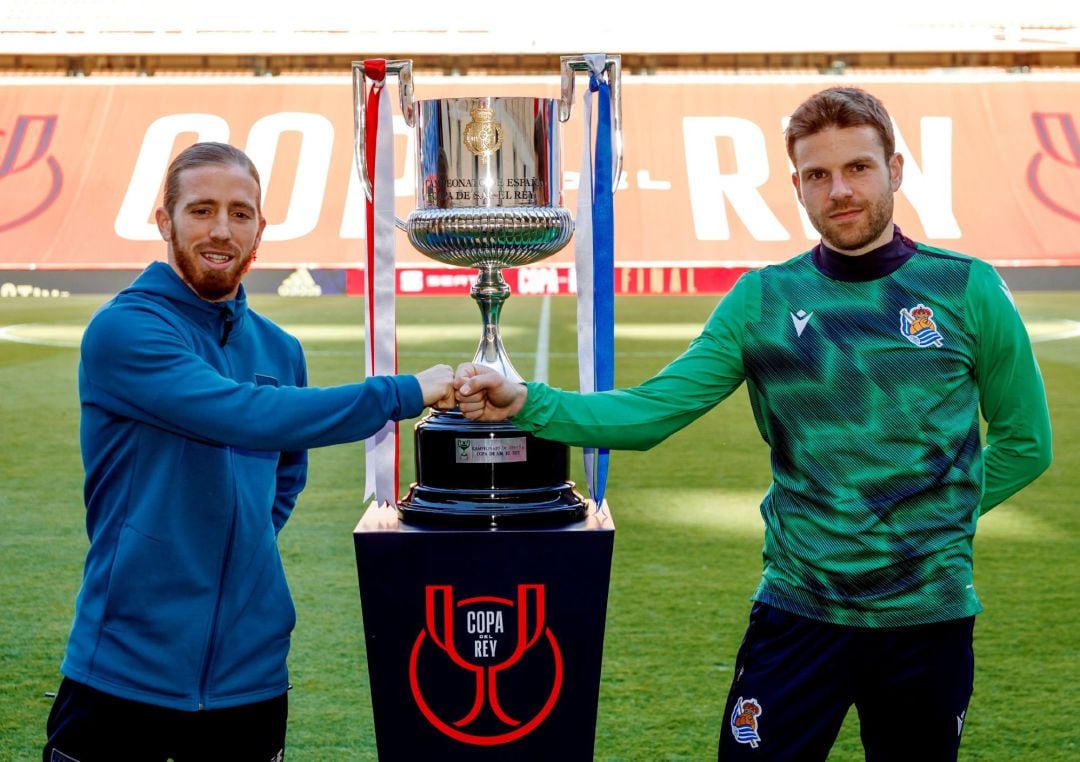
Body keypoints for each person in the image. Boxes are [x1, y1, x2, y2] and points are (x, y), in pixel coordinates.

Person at [454, 87, 1052, 760]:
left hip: (928, 619)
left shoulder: (966, 289)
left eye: (859, 168)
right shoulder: (761, 299)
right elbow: (652, 411)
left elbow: (1028, 443)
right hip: (799, 613)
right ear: (797, 185)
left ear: (895, 170)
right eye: (819, 175)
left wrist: (930, 520)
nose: (840, 191)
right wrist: (528, 402)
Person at [43, 142, 454, 761]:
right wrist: (405, 392)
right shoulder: (125, 330)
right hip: (125, 668)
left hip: (251, 676)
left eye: (240, 213)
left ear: (260, 227)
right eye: (201, 209)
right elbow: (247, 415)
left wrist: (240, 555)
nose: (221, 230)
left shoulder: (280, 348)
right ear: (165, 221)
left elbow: (286, 476)